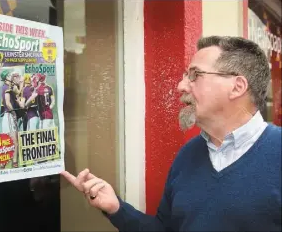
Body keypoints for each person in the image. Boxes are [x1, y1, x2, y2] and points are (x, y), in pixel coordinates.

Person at [61, 36, 281, 231]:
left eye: (195, 75)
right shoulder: (189, 154)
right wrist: (117, 209)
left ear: (237, 87)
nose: (180, 86)